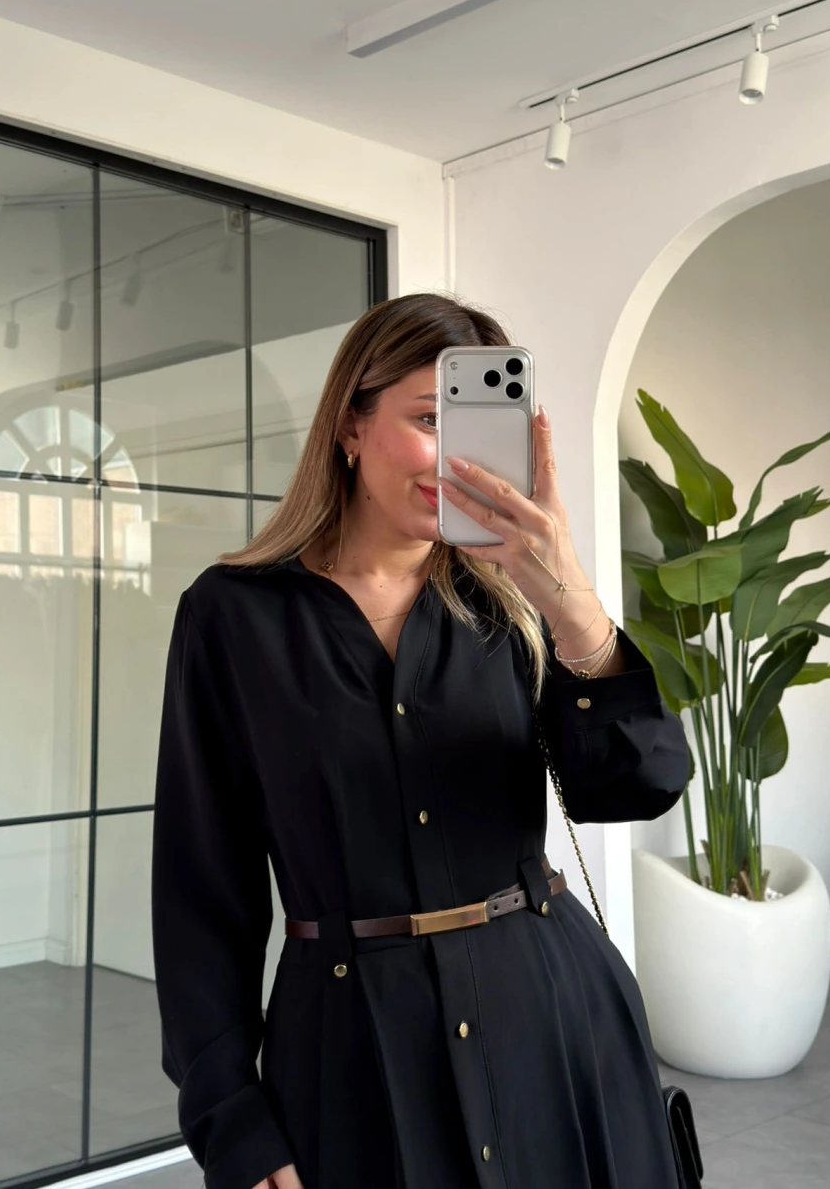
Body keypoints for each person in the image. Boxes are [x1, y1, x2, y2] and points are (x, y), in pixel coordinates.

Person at [151, 292, 691, 1189]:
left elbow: (638, 787)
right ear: (350, 426)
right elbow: (202, 889)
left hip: (549, 1023)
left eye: (480, 428)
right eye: (431, 420)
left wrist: (570, 602)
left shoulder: (515, 608)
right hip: (350, 1050)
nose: (458, 457)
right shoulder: (232, 617)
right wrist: (229, 1118)